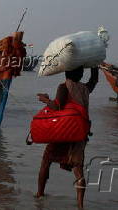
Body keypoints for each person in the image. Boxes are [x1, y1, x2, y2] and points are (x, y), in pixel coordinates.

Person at [35, 66, 99, 209]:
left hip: (63, 132)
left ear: (66, 72)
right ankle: (80, 206)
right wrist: (95, 66)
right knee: (78, 170)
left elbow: (57, 106)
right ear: (81, 73)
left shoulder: (63, 86)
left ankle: (39, 195)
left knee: (46, 161)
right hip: (79, 134)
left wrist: (45, 100)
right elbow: (94, 80)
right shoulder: (85, 88)